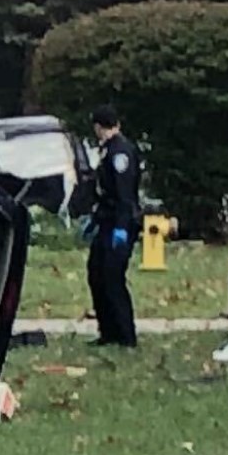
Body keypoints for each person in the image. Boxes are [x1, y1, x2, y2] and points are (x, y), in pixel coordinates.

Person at [87, 105, 143, 347]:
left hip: (121, 222)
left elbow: (124, 194)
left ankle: (125, 335)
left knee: (112, 277)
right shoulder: (108, 150)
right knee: (96, 274)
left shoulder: (121, 152)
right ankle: (108, 332)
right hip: (107, 220)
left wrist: (121, 227)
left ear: (99, 127)